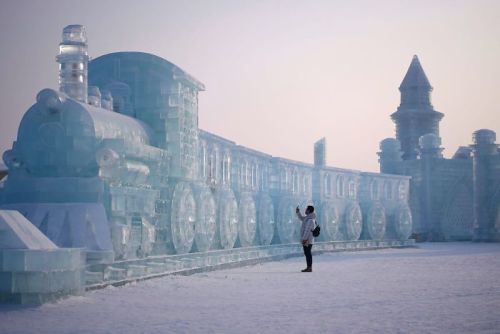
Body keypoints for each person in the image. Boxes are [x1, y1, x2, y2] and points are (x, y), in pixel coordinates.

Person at [296, 205, 316, 272]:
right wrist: (298, 212)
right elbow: (302, 218)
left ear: (309, 211)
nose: (305, 210)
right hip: (308, 240)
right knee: (307, 253)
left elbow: (307, 230)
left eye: (306, 209)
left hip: (307, 240)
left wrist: (304, 239)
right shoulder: (308, 218)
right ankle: (309, 267)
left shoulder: (310, 220)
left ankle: (309, 267)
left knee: (308, 253)